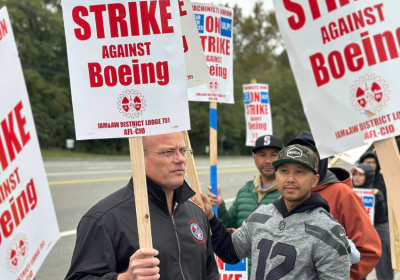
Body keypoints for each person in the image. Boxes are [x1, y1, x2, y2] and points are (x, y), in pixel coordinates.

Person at [65, 132, 218, 280]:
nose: (180, 159)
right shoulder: (104, 220)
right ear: (139, 156)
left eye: (182, 151)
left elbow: (210, 273)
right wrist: (124, 278)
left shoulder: (196, 212)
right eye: (168, 152)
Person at [202, 144, 351, 279]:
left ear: (314, 180)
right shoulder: (261, 215)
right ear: (276, 175)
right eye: (284, 171)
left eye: (299, 172)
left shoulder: (328, 231)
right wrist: (210, 217)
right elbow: (230, 251)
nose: (290, 179)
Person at [287, 131, 381, 280]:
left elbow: (369, 250)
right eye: (297, 155)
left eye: (310, 154)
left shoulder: (343, 194)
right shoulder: (287, 194)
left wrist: (338, 277)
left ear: (322, 160)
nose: (303, 160)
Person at [207, 135, 284, 276]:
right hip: (242, 271)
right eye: (262, 155)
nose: (268, 160)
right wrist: (219, 207)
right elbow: (229, 227)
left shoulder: (287, 196)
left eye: (274, 155)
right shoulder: (245, 190)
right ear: (255, 159)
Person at [359, 151, 393, 280]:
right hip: (361, 228)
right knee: (360, 263)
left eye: (374, 162)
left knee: (384, 261)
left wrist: (379, 198)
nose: (372, 165)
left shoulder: (384, 180)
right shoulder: (354, 181)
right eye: (368, 163)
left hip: (380, 225)